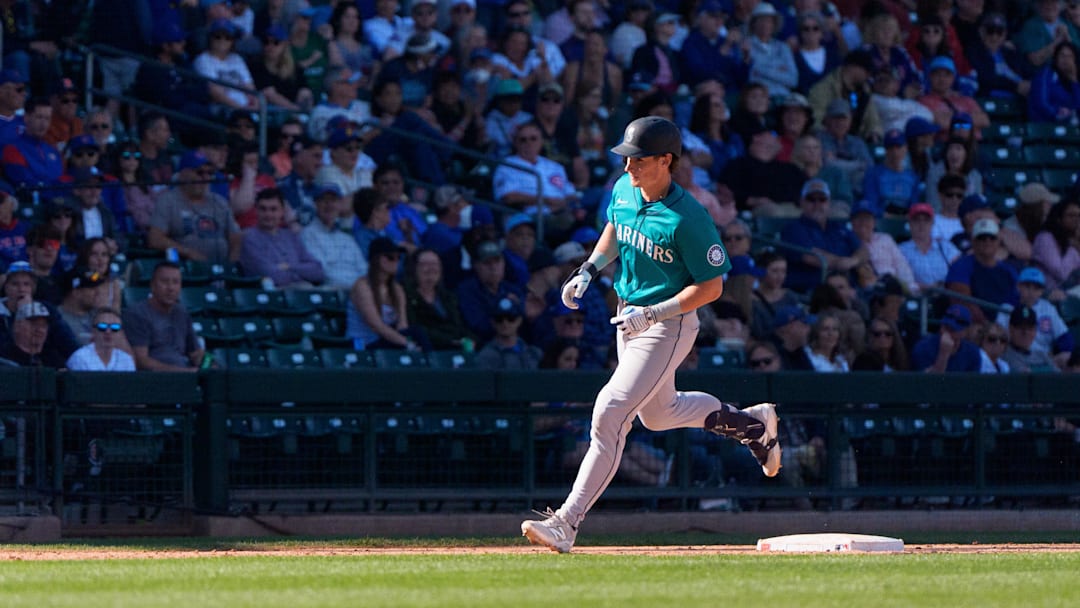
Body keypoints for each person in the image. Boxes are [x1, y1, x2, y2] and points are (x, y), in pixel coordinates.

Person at [520, 116, 780, 554]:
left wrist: (655, 313)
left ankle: (566, 522)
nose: (628, 168)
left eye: (638, 160)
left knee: (610, 411)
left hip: (670, 322)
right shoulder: (625, 189)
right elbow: (615, 230)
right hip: (629, 315)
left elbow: (713, 285)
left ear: (666, 160)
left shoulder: (689, 216)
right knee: (658, 415)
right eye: (627, 159)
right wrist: (587, 269)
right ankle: (753, 425)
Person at [148, 151, 241, 265]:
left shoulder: (219, 202)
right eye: (200, 172)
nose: (205, 177)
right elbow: (155, 238)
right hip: (186, 268)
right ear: (183, 174)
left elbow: (236, 238)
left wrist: (230, 265)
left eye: (209, 173)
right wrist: (189, 253)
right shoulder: (167, 201)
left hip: (221, 267)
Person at [781, 179, 868, 293]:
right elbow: (813, 257)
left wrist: (853, 261)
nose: (817, 205)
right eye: (811, 199)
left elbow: (863, 250)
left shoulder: (838, 226)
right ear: (801, 202)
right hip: (814, 290)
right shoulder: (793, 228)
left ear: (829, 203)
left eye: (822, 200)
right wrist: (844, 263)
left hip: (849, 287)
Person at [122, 262, 204, 372]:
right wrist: (181, 372)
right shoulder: (138, 313)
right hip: (154, 380)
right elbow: (140, 361)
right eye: (165, 282)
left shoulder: (182, 313)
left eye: (175, 282)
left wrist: (209, 363)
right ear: (153, 285)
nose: (170, 288)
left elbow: (195, 353)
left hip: (184, 375)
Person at [239, 188, 325, 288]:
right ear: (256, 211)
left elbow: (318, 271)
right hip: (271, 294)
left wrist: (288, 267)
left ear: (282, 211)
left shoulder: (290, 236)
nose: (268, 214)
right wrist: (301, 271)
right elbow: (269, 275)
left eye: (273, 209)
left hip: (302, 290)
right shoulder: (249, 238)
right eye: (263, 209)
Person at [346, 237, 421, 351]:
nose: (396, 262)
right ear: (377, 259)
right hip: (364, 344)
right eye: (391, 258)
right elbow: (376, 326)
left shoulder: (397, 289)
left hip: (385, 342)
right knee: (414, 336)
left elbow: (402, 325)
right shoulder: (362, 287)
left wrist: (408, 342)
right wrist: (407, 343)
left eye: (398, 257)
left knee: (415, 332)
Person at [944, 218, 1020, 322]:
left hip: (1005, 325)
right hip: (973, 326)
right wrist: (988, 327)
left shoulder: (1009, 270)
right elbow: (962, 301)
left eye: (992, 237)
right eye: (982, 237)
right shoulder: (961, 265)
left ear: (998, 241)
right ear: (973, 241)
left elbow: (1018, 299)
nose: (987, 241)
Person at [995, 268, 1073, 367]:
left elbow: (1064, 338)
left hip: (1044, 357)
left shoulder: (1048, 308)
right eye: (1027, 286)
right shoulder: (1007, 307)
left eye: (1036, 288)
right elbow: (1001, 338)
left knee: (1067, 357)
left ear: (1042, 291)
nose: (1031, 291)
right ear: (1019, 286)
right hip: (1015, 356)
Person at [299, 183, 367, 290]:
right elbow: (322, 272)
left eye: (333, 200)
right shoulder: (308, 235)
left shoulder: (346, 238)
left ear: (340, 204)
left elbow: (363, 269)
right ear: (316, 204)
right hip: (331, 291)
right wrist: (356, 285)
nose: (329, 205)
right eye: (324, 200)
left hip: (357, 290)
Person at [405, 247, 473, 351]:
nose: (431, 268)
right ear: (414, 268)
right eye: (425, 264)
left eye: (435, 264)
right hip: (426, 349)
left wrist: (470, 339)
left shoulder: (449, 297)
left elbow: (459, 325)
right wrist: (449, 340)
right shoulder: (406, 295)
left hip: (455, 347)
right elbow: (415, 327)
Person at [899, 202, 961, 293]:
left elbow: (959, 271)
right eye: (917, 220)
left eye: (926, 220)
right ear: (910, 223)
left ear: (932, 223)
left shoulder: (945, 247)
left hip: (945, 296)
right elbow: (901, 280)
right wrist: (927, 288)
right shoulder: (901, 250)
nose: (921, 224)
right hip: (915, 297)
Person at [910, 303, 982, 372]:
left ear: (965, 331)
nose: (947, 333)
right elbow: (930, 383)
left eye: (952, 330)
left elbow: (971, 383)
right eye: (945, 327)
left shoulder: (972, 353)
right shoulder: (923, 347)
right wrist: (943, 354)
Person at [65, 307, 135, 372]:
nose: (108, 331)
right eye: (102, 327)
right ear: (93, 331)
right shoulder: (80, 358)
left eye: (115, 327)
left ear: (121, 333)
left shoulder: (126, 360)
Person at [1031, 198, 1080, 290]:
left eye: (1079, 216)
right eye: (1071, 215)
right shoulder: (1045, 238)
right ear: (1059, 219)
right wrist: (1073, 248)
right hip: (1046, 293)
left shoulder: (1072, 241)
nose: (1077, 220)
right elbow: (1061, 273)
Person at [0, 301, 65, 367]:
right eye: (34, 324)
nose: (40, 330)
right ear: (16, 326)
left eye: (44, 325)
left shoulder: (54, 360)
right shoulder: (4, 358)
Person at [1029, 41, 1080, 123]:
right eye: (1062, 55)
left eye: (1070, 56)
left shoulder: (1075, 79)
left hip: (1069, 124)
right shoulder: (1045, 75)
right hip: (1045, 125)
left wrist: (1074, 80)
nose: (1066, 59)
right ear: (1055, 58)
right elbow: (1041, 104)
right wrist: (1058, 112)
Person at [1001, 305, 1060, 372]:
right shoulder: (1004, 356)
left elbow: (1059, 378)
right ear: (1011, 328)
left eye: (1030, 328)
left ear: (1035, 330)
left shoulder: (1042, 355)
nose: (1025, 332)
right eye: (1021, 327)